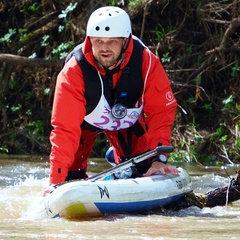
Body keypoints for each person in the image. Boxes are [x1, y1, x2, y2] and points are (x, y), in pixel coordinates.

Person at [47, 6, 179, 189]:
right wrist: (55, 182)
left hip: (129, 123)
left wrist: (159, 159)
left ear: (125, 41)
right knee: (70, 177)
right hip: (85, 125)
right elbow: (64, 130)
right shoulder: (73, 71)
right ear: (90, 40)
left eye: (112, 41)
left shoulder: (147, 62)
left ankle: (122, 164)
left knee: (145, 168)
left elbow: (161, 112)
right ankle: (75, 174)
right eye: (98, 41)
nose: (104, 48)